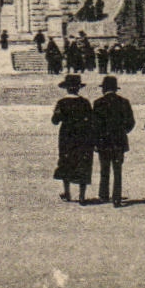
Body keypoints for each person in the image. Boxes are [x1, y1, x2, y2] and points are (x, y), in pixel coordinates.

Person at [91, 74, 136, 207]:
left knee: (104, 168)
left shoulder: (98, 103)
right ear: (116, 89)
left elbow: (95, 125)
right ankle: (116, 196)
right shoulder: (124, 102)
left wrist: (95, 141)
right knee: (117, 169)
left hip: (103, 140)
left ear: (103, 89)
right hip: (119, 140)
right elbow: (131, 122)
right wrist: (122, 132)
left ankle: (104, 194)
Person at [52, 73, 94, 203]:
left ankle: (67, 192)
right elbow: (91, 120)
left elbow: (55, 120)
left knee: (66, 160)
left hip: (67, 135)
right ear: (78, 88)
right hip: (82, 135)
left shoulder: (62, 103)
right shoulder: (85, 102)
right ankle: (82, 195)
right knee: (83, 162)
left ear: (67, 88)